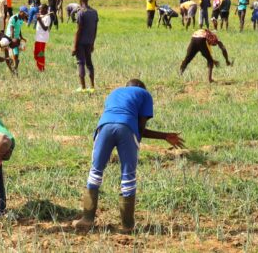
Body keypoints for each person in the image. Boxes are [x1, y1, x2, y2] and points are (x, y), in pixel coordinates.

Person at [72, 79, 185, 233]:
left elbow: (115, 117)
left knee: (96, 170)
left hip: (104, 127)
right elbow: (140, 128)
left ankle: (87, 219)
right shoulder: (144, 94)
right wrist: (164, 136)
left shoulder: (114, 92)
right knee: (128, 175)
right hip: (127, 130)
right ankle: (127, 225)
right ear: (141, 88)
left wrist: (163, 136)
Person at [72, 0, 98, 93]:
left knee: (81, 63)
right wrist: (92, 43)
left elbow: (78, 30)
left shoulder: (81, 13)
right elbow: (95, 29)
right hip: (90, 41)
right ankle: (92, 87)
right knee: (89, 63)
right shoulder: (94, 12)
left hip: (81, 42)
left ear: (80, 0)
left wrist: (74, 46)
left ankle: (83, 87)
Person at [5, 7, 28, 74]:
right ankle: (13, 69)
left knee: (16, 55)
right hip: (10, 38)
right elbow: (12, 29)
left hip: (16, 38)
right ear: (21, 12)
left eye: (26, 14)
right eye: (24, 13)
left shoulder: (21, 19)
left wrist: (21, 37)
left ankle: (15, 68)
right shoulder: (14, 18)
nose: (25, 15)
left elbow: (19, 28)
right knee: (12, 55)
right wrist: (12, 39)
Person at [34, 4, 51, 71]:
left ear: (45, 9)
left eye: (41, 9)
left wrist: (39, 20)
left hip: (42, 39)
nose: (39, 10)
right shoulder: (41, 16)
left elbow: (45, 28)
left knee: (40, 54)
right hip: (37, 38)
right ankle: (40, 66)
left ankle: (41, 68)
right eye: (39, 9)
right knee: (36, 54)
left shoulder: (47, 17)